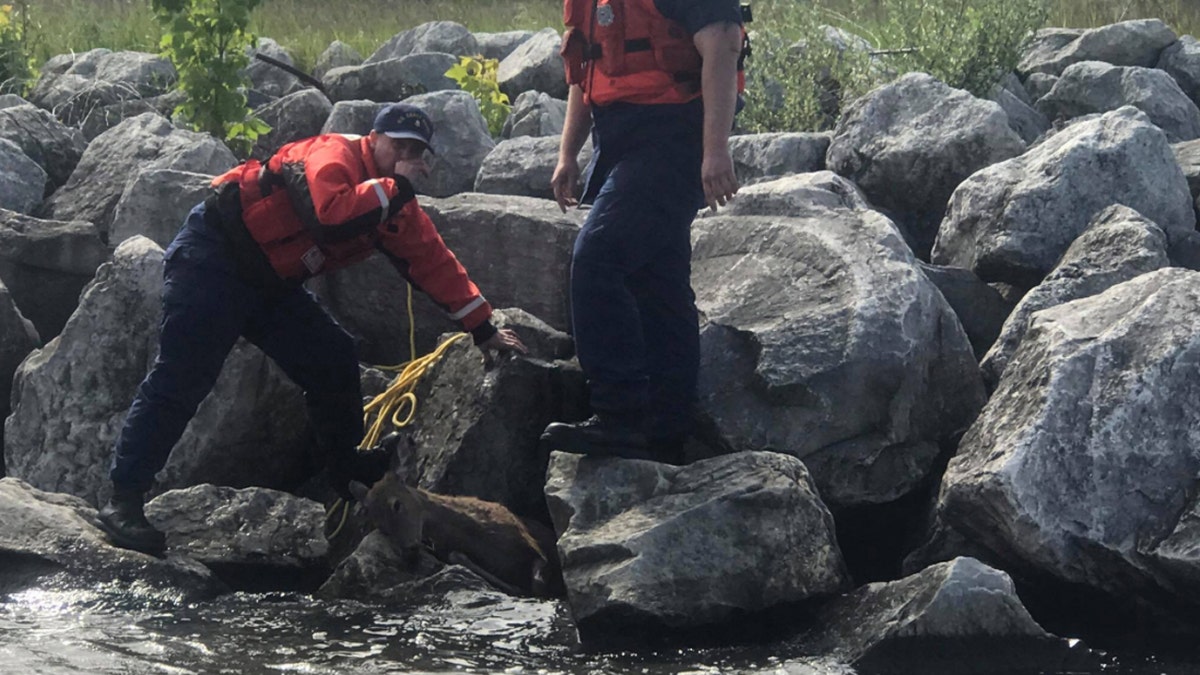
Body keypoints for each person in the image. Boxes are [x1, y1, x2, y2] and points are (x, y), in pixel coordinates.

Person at [97, 102, 527, 555]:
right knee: (182, 379)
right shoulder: (332, 154)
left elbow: (433, 261)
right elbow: (331, 213)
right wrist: (393, 187)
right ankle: (123, 498)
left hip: (270, 283)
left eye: (416, 150)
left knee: (333, 358)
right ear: (373, 138)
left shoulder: (390, 199)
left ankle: (347, 470)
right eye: (398, 144)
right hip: (213, 258)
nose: (405, 155)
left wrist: (483, 329)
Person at [540, 0, 747, 463]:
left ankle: (619, 417)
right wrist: (567, 154)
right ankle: (666, 429)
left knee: (596, 260)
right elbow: (586, 70)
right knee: (655, 280)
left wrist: (714, 151)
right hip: (619, 137)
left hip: (674, 135)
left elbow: (722, 44)